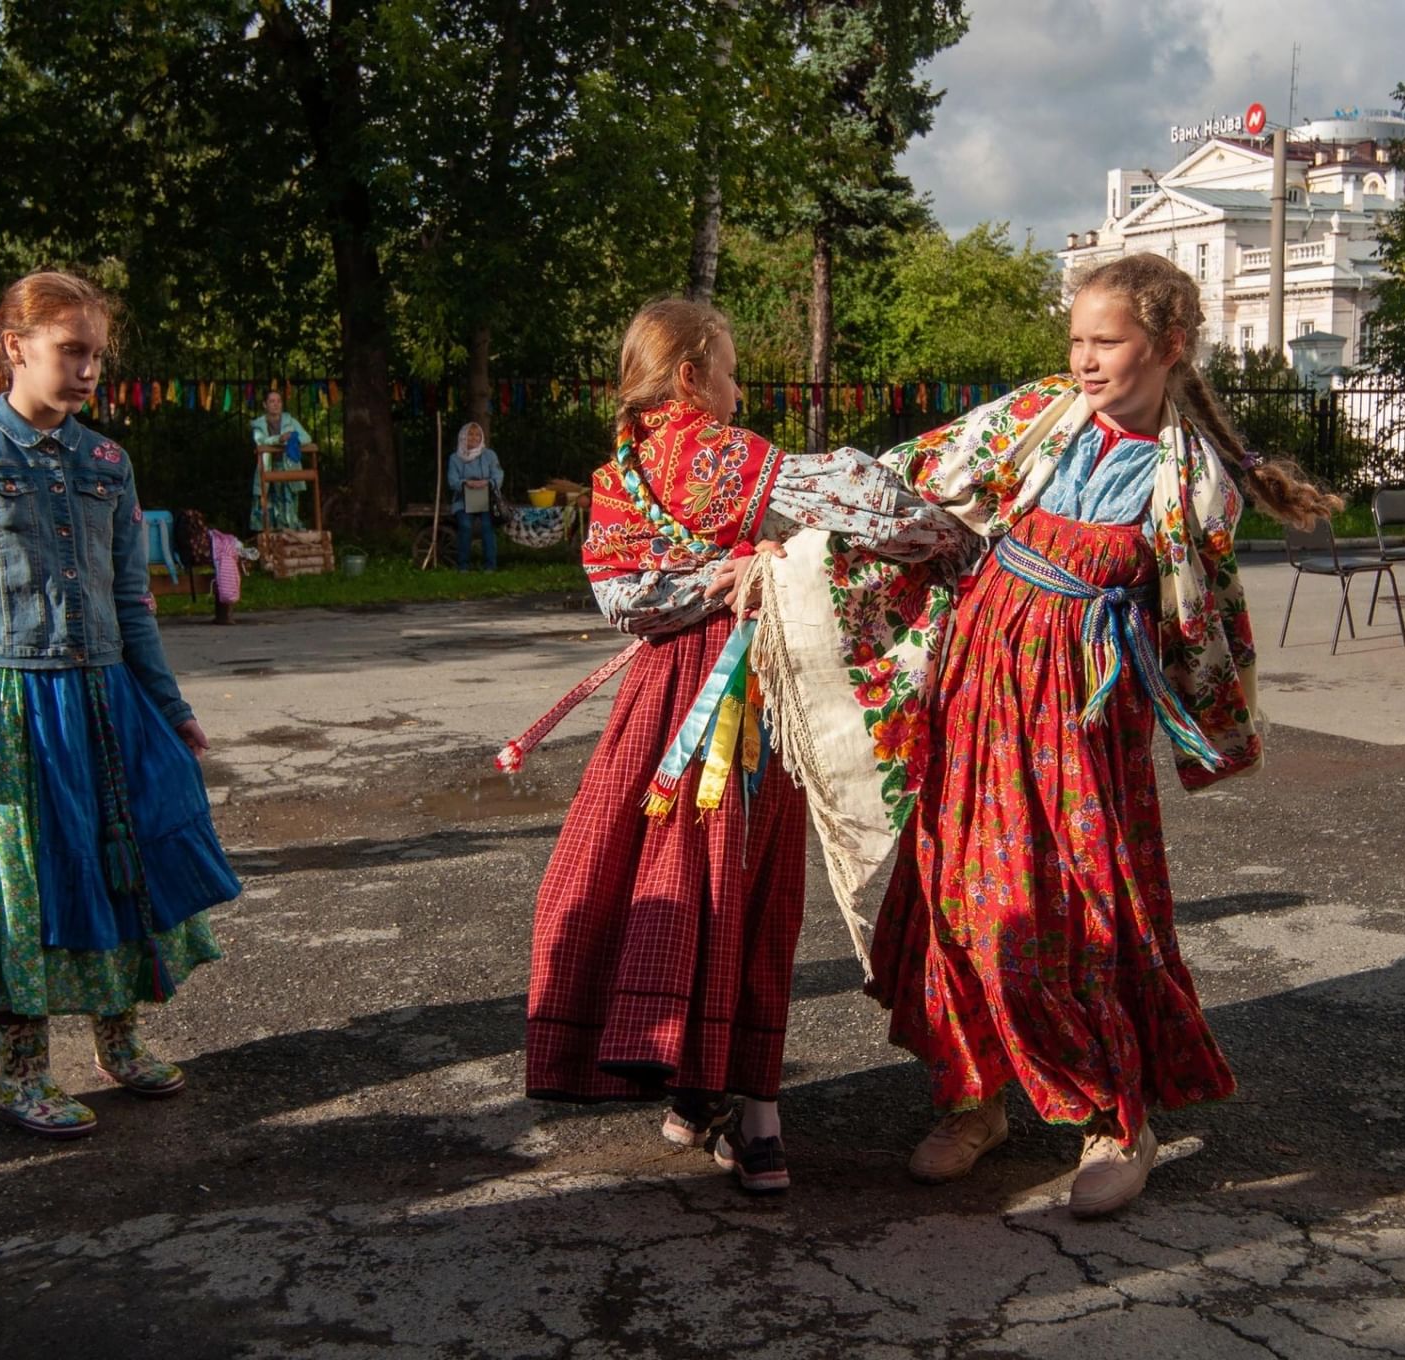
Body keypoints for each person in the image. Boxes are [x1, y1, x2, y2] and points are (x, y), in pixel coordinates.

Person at [745, 253, 1338, 1219]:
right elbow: (910, 481)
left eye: (1106, 342)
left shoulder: (1197, 481)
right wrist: (800, 540)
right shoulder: (1038, 418)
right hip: (976, 691)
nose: (1085, 359)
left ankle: (1117, 1114)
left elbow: (1199, 623)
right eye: (1076, 340)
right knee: (954, 894)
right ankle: (971, 1098)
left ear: (1170, 346)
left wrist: (1194, 714)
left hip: (1077, 717)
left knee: (1071, 909)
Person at [524, 298, 967, 1194]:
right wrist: (953, 540)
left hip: (655, 708)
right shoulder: (737, 457)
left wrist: (713, 579)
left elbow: (623, 603)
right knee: (746, 891)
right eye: (727, 371)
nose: (736, 390)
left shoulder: (619, 476)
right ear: (690, 376)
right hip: (744, 697)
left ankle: (694, 1094)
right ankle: (754, 1119)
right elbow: (886, 515)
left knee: (662, 879)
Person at [0, 271, 241, 1139]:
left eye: (96, 353)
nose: (89, 369)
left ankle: (119, 1041)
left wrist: (169, 709)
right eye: (72, 351)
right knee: (23, 887)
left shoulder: (106, 464)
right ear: (15, 347)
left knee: (117, 867)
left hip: (107, 697)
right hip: (14, 704)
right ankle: (21, 1073)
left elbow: (132, 601)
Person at [250, 389, 315, 531]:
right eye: (272, 401)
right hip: (268, 467)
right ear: (265, 405)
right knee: (266, 501)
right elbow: (260, 441)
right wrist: (279, 439)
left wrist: (292, 439)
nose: (276, 404)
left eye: (279, 401)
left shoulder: (291, 421)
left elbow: (307, 438)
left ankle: (289, 533)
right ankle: (268, 537)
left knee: (288, 501)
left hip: (288, 466)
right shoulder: (258, 424)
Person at [445, 421, 504, 571]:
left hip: (486, 499)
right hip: (463, 499)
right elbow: (452, 481)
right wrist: (467, 483)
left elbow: (498, 476)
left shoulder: (490, 455)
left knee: (487, 526)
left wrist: (487, 483)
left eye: (477, 434)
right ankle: (463, 566)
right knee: (465, 525)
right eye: (470, 434)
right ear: (463, 436)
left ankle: (490, 566)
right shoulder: (455, 458)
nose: (474, 437)